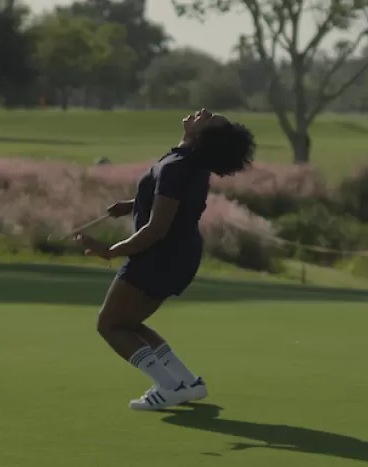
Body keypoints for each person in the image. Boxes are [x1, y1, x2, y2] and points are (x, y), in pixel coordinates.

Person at [74, 108, 255, 411]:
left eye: (208, 119)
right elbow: (171, 201)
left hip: (159, 256)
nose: (202, 112)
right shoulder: (189, 163)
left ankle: (169, 386)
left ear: (200, 136)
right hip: (178, 256)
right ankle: (188, 382)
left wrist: (110, 250)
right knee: (130, 322)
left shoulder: (179, 166)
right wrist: (135, 204)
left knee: (110, 325)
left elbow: (156, 228)